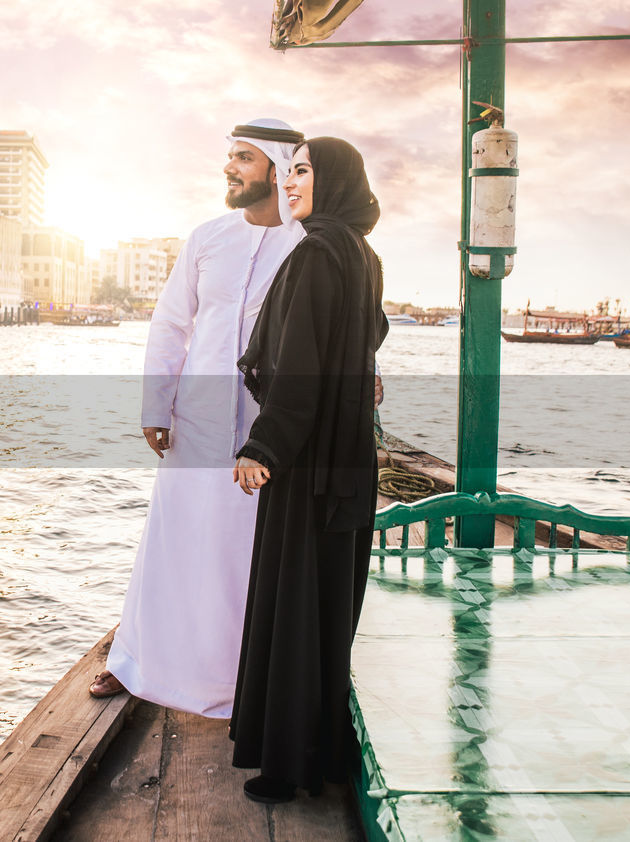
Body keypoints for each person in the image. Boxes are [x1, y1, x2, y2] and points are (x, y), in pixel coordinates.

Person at [88, 119, 308, 717]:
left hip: (271, 425)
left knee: (245, 549)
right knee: (174, 540)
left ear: (277, 167)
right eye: (230, 157)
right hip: (197, 418)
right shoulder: (207, 237)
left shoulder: (309, 242)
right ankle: (136, 663)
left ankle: (245, 681)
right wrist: (155, 404)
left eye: (243, 158)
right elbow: (170, 323)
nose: (229, 168)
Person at [229, 137, 387, 802]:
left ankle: (285, 771)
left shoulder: (316, 253)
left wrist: (263, 447)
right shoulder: (361, 253)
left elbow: (299, 367)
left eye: (302, 172)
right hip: (349, 459)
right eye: (288, 171)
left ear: (335, 180)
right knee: (327, 610)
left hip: (307, 461)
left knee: (293, 607)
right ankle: (321, 753)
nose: (290, 184)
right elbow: (368, 334)